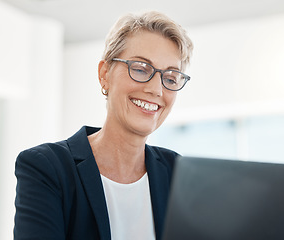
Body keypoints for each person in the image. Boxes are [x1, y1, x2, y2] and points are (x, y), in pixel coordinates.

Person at [14, 10, 193, 240]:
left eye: (170, 78)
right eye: (140, 68)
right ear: (104, 74)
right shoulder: (46, 168)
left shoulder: (178, 174)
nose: (156, 90)